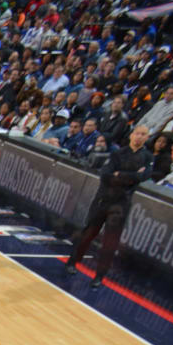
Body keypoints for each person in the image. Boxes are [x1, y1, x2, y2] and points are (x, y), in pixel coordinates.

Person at [64, 123, 152, 289]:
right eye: (137, 133)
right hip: (103, 199)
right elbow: (106, 175)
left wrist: (121, 175)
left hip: (121, 204)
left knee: (110, 242)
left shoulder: (147, 157)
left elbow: (144, 176)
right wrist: (131, 177)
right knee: (88, 233)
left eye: (143, 134)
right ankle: (72, 262)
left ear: (147, 138)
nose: (139, 136)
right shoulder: (118, 153)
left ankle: (99, 276)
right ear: (132, 135)